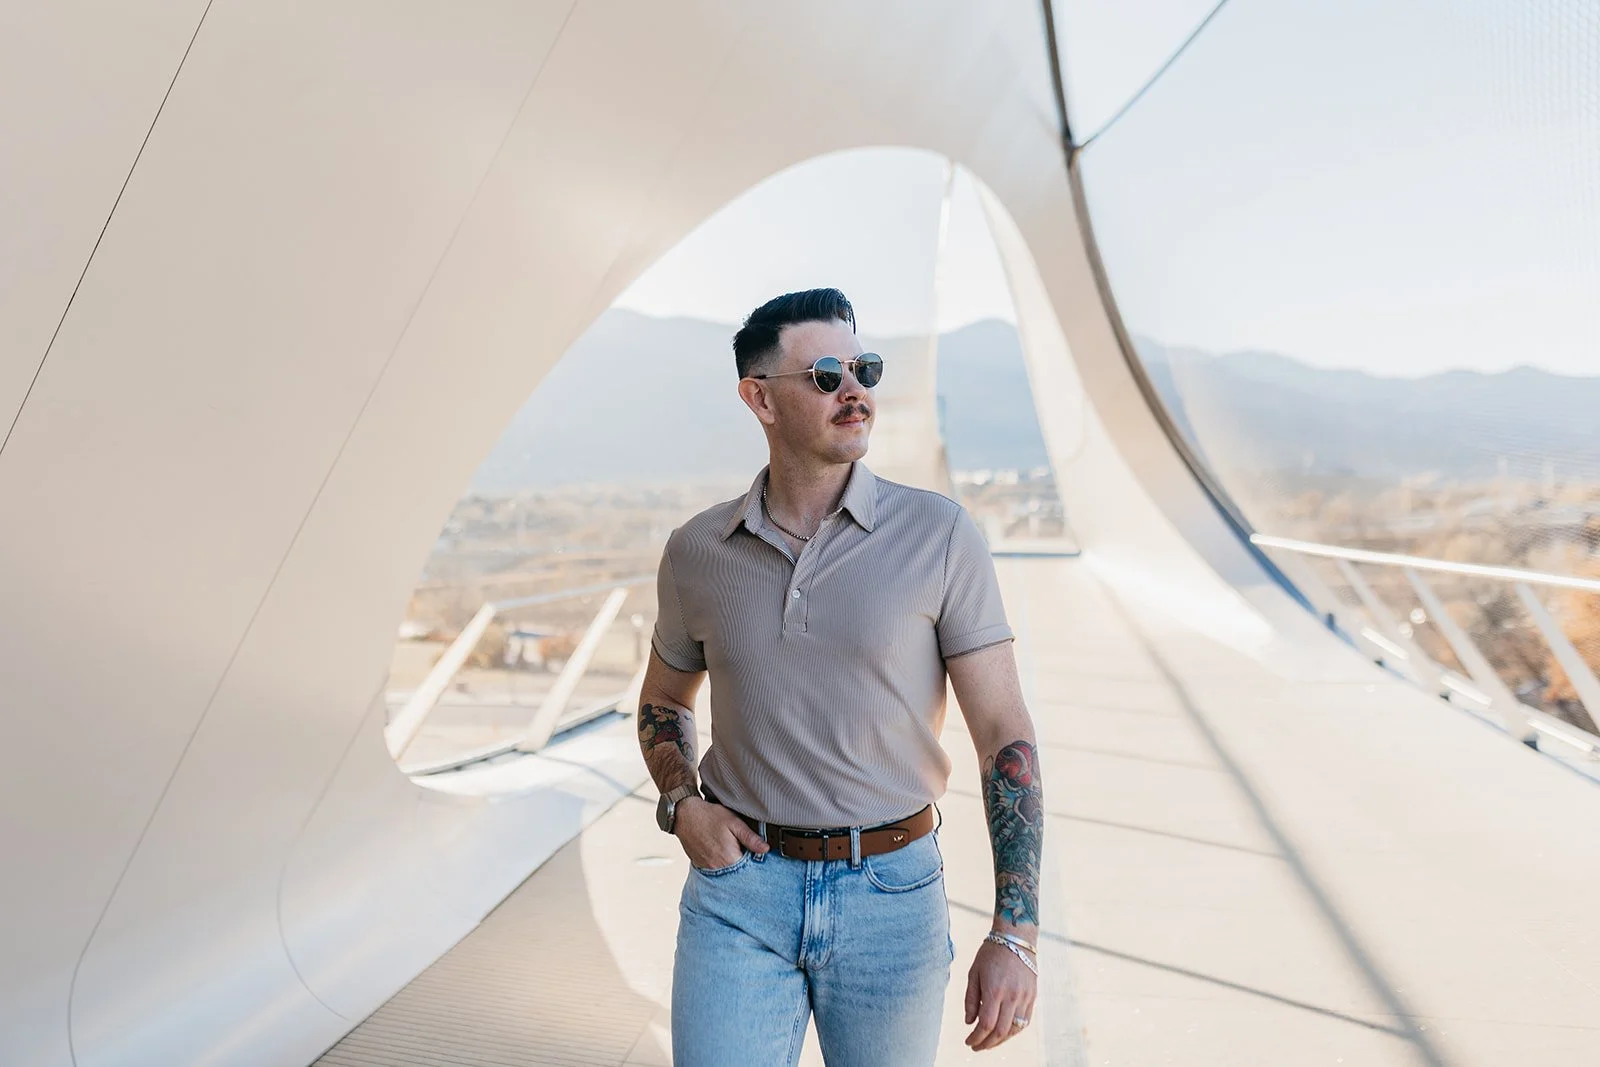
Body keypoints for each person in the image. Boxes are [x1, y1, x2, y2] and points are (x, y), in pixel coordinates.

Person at [637, 289, 1044, 1066]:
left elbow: (1004, 737)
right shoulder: (697, 551)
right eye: (825, 373)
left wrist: (1015, 933)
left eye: (865, 368)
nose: (855, 389)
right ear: (760, 398)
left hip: (892, 897)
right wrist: (681, 803)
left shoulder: (940, 534)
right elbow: (662, 700)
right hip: (738, 896)